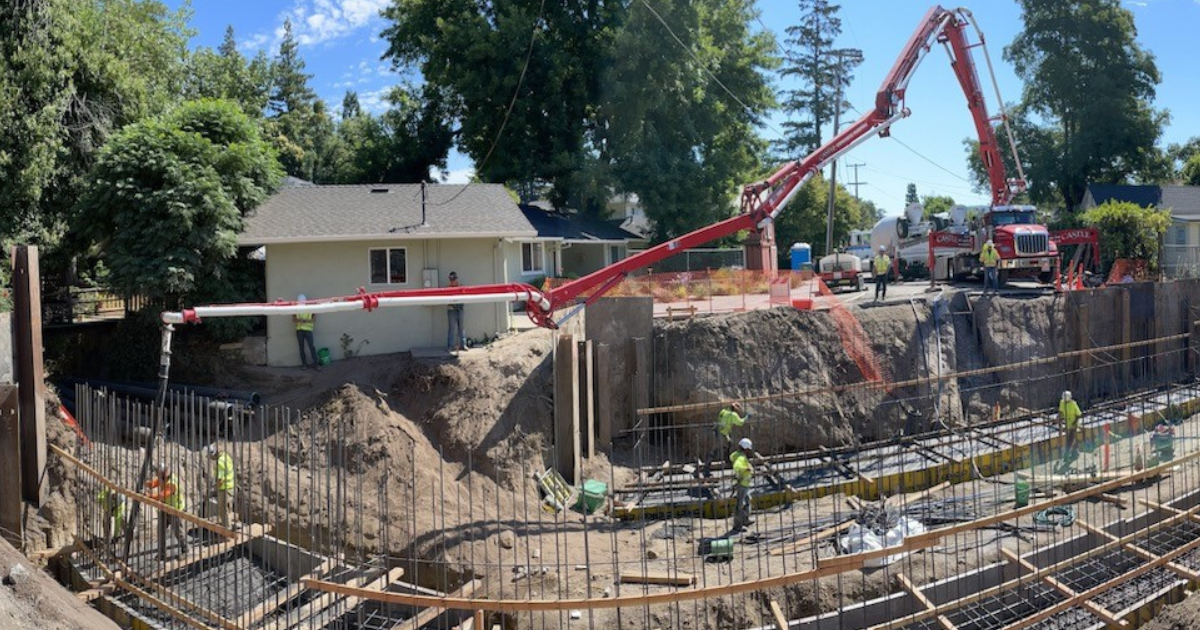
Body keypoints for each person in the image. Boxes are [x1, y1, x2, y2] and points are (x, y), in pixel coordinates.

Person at [146, 463, 189, 561]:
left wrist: (148, 496)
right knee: (161, 531)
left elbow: (161, 495)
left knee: (178, 532)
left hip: (174, 510)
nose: (157, 475)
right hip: (165, 508)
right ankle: (162, 554)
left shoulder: (172, 483)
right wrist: (145, 483)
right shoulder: (163, 478)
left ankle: (186, 550)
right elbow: (153, 484)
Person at [703, 402, 747, 476]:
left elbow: (720, 420)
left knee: (729, 443)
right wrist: (747, 417)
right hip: (721, 433)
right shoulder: (733, 415)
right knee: (715, 450)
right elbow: (740, 423)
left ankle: (727, 459)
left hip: (718, 430)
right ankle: (706, 468)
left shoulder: (723, 411)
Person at [205, 444, 235, 528]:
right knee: (228, 509)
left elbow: (220, 480)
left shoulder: (220, 462)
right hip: (230, 486)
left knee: (223, 509)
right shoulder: (225, 456)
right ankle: (228, 526)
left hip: (225, 488)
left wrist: (214, 487)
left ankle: (227, 530)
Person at [730, 438, 755, 531]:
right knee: (739, 504)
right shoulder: (741, 457)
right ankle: (738, 525)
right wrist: (746, 469)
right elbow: (737, 467)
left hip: (744, 483)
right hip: (742, 483)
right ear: (746, 448)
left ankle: (745, 519)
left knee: (747, 501)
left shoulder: (738, 455)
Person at [293, 295, 319, 369]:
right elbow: (294, 319)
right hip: (299, 330)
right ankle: (304, 364)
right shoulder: (295, 308)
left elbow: (314, 319)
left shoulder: (310, 308)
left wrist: (304, 321)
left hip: (308, 330)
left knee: (311, 347)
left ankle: (316, 364)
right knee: (301, 348)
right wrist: (301, 321)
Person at [446, 272, 466, 353]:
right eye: (451, 279)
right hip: (451, 309)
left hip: (460, 309)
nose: (452, 281)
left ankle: (463, 345)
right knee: (451, 328)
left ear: (456, 279)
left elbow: (464, 297)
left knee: (461, 327)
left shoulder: (460, 287)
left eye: (453, 279)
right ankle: (450, 346)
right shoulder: (448, 288)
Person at [1059, 390, 1082, 455]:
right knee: (1072, 438)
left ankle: (1067, 452)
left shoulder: (1073, 404)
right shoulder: (1062, 403)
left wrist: (1074, 422)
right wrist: (1060, 418)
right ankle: (1075, 450)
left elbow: (1078, 414)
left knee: (1070, 437)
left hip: (1074, 423)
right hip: (1067, 423)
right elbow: (1061, 411)